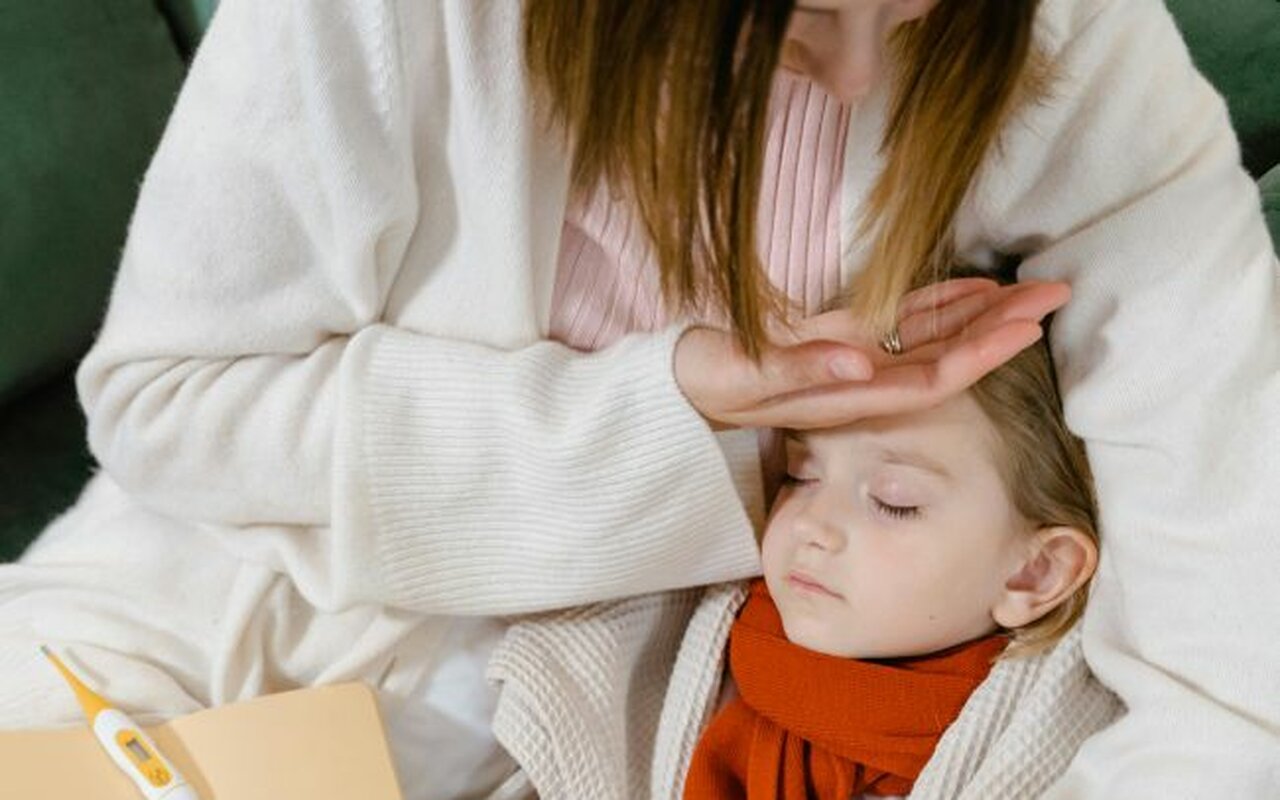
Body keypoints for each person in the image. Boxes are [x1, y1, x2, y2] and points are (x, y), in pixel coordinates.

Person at [0, 0, 1274, 797]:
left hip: (579, 699)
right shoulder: (389, 18)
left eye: (919, 15)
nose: (850, 74)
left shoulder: (1078, 42)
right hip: (195, 602)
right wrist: (681, 405)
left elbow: (1225, 632)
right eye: (793, 17)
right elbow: (171, 403)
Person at [682, 329, 1105, 798]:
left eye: (892, 501)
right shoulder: (719, 659)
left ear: (1035, 572)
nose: (811, 524)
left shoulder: (1059, 753)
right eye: (800, 475)